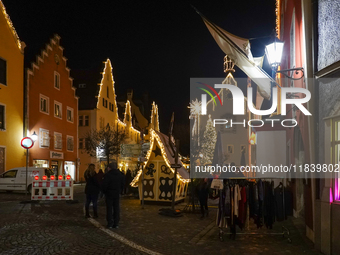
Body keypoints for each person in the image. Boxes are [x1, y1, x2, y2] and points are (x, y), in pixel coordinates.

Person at [102, 162, 124, 229]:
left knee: (109, 208)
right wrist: (120, 191)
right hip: (116, 193)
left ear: (109, 168)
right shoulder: (120, 175)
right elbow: (123, 184)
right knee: (116, 208)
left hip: (109, 193)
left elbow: (104, 185)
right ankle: (116, 223)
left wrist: (104, 192)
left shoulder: (107, 175)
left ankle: (110, 223)